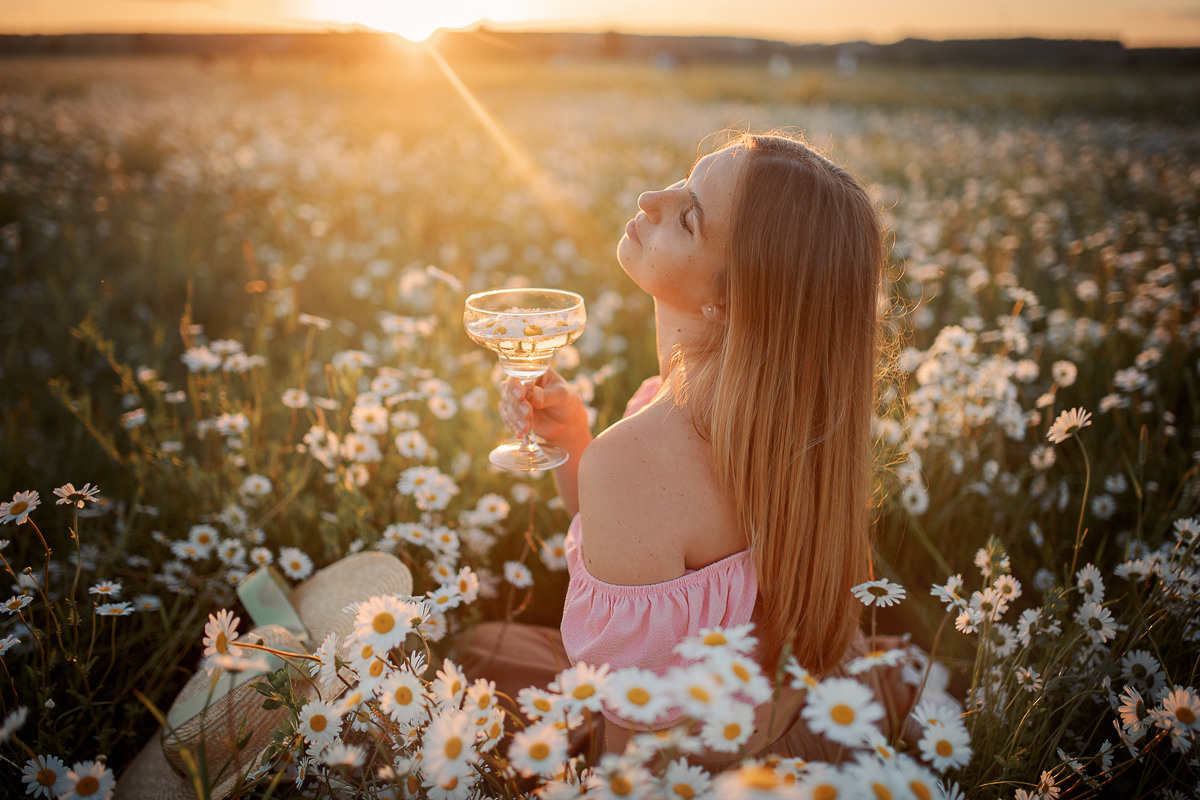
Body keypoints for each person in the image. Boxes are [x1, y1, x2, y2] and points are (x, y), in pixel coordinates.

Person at [461, 131, 926, 763]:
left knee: (470, 664)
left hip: (697, 766)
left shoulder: (642, 457)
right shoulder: (785, 420)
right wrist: (573, 438)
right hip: (808, 715)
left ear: (730, 299)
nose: (651, 198)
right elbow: (632, 538)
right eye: (684, 179)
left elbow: (637, 752)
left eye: (689, 217)